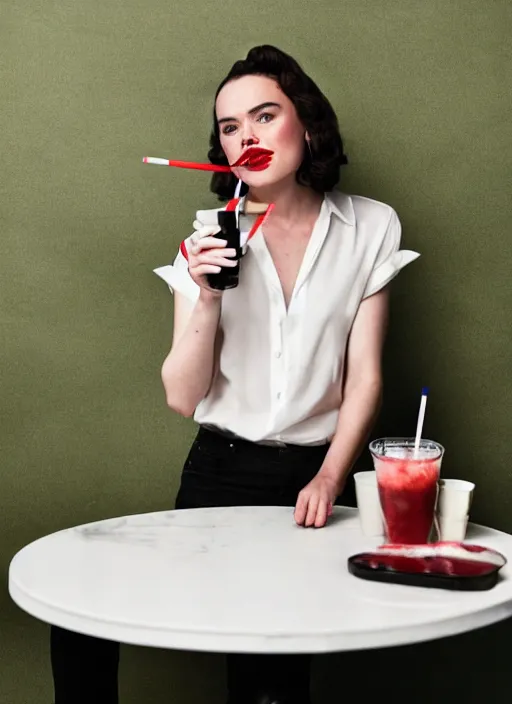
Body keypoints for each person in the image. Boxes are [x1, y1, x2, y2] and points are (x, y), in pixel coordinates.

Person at [50, 45, 419, 704]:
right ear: (221, 151)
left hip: (315, 480)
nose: (247, 135)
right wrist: (209, 295)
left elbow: (364, 377)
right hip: (219, 473)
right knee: (85, 619)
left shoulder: (371, 226)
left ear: (306, 125)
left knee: (272, 683)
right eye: (229, 127)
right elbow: (181, 395)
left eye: (265, 115)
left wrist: (330, 476)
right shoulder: (206, 242)